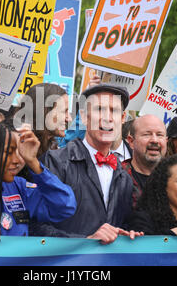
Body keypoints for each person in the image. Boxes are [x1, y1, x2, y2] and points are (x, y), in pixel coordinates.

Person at [33, 84, 142, 244]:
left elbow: (120, 224)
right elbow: (35, 226)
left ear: (123, 118)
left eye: (114, 111)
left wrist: (127, 234)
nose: (108, 117)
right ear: (84, 117)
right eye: (99, 109)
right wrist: (86, 241)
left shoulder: (124, 176)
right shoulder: (55, 161)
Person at [15, 83, 72, 158]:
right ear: (44, 112)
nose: (69, 118)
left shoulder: (54, 150)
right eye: (63, 111)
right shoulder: (16, 146)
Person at [123, 115, 167, 209]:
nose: (154, 140)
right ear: (131, 141)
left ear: (166, 141)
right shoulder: (117, 177)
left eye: (159, 135)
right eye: (147, 134)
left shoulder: (175, 177)